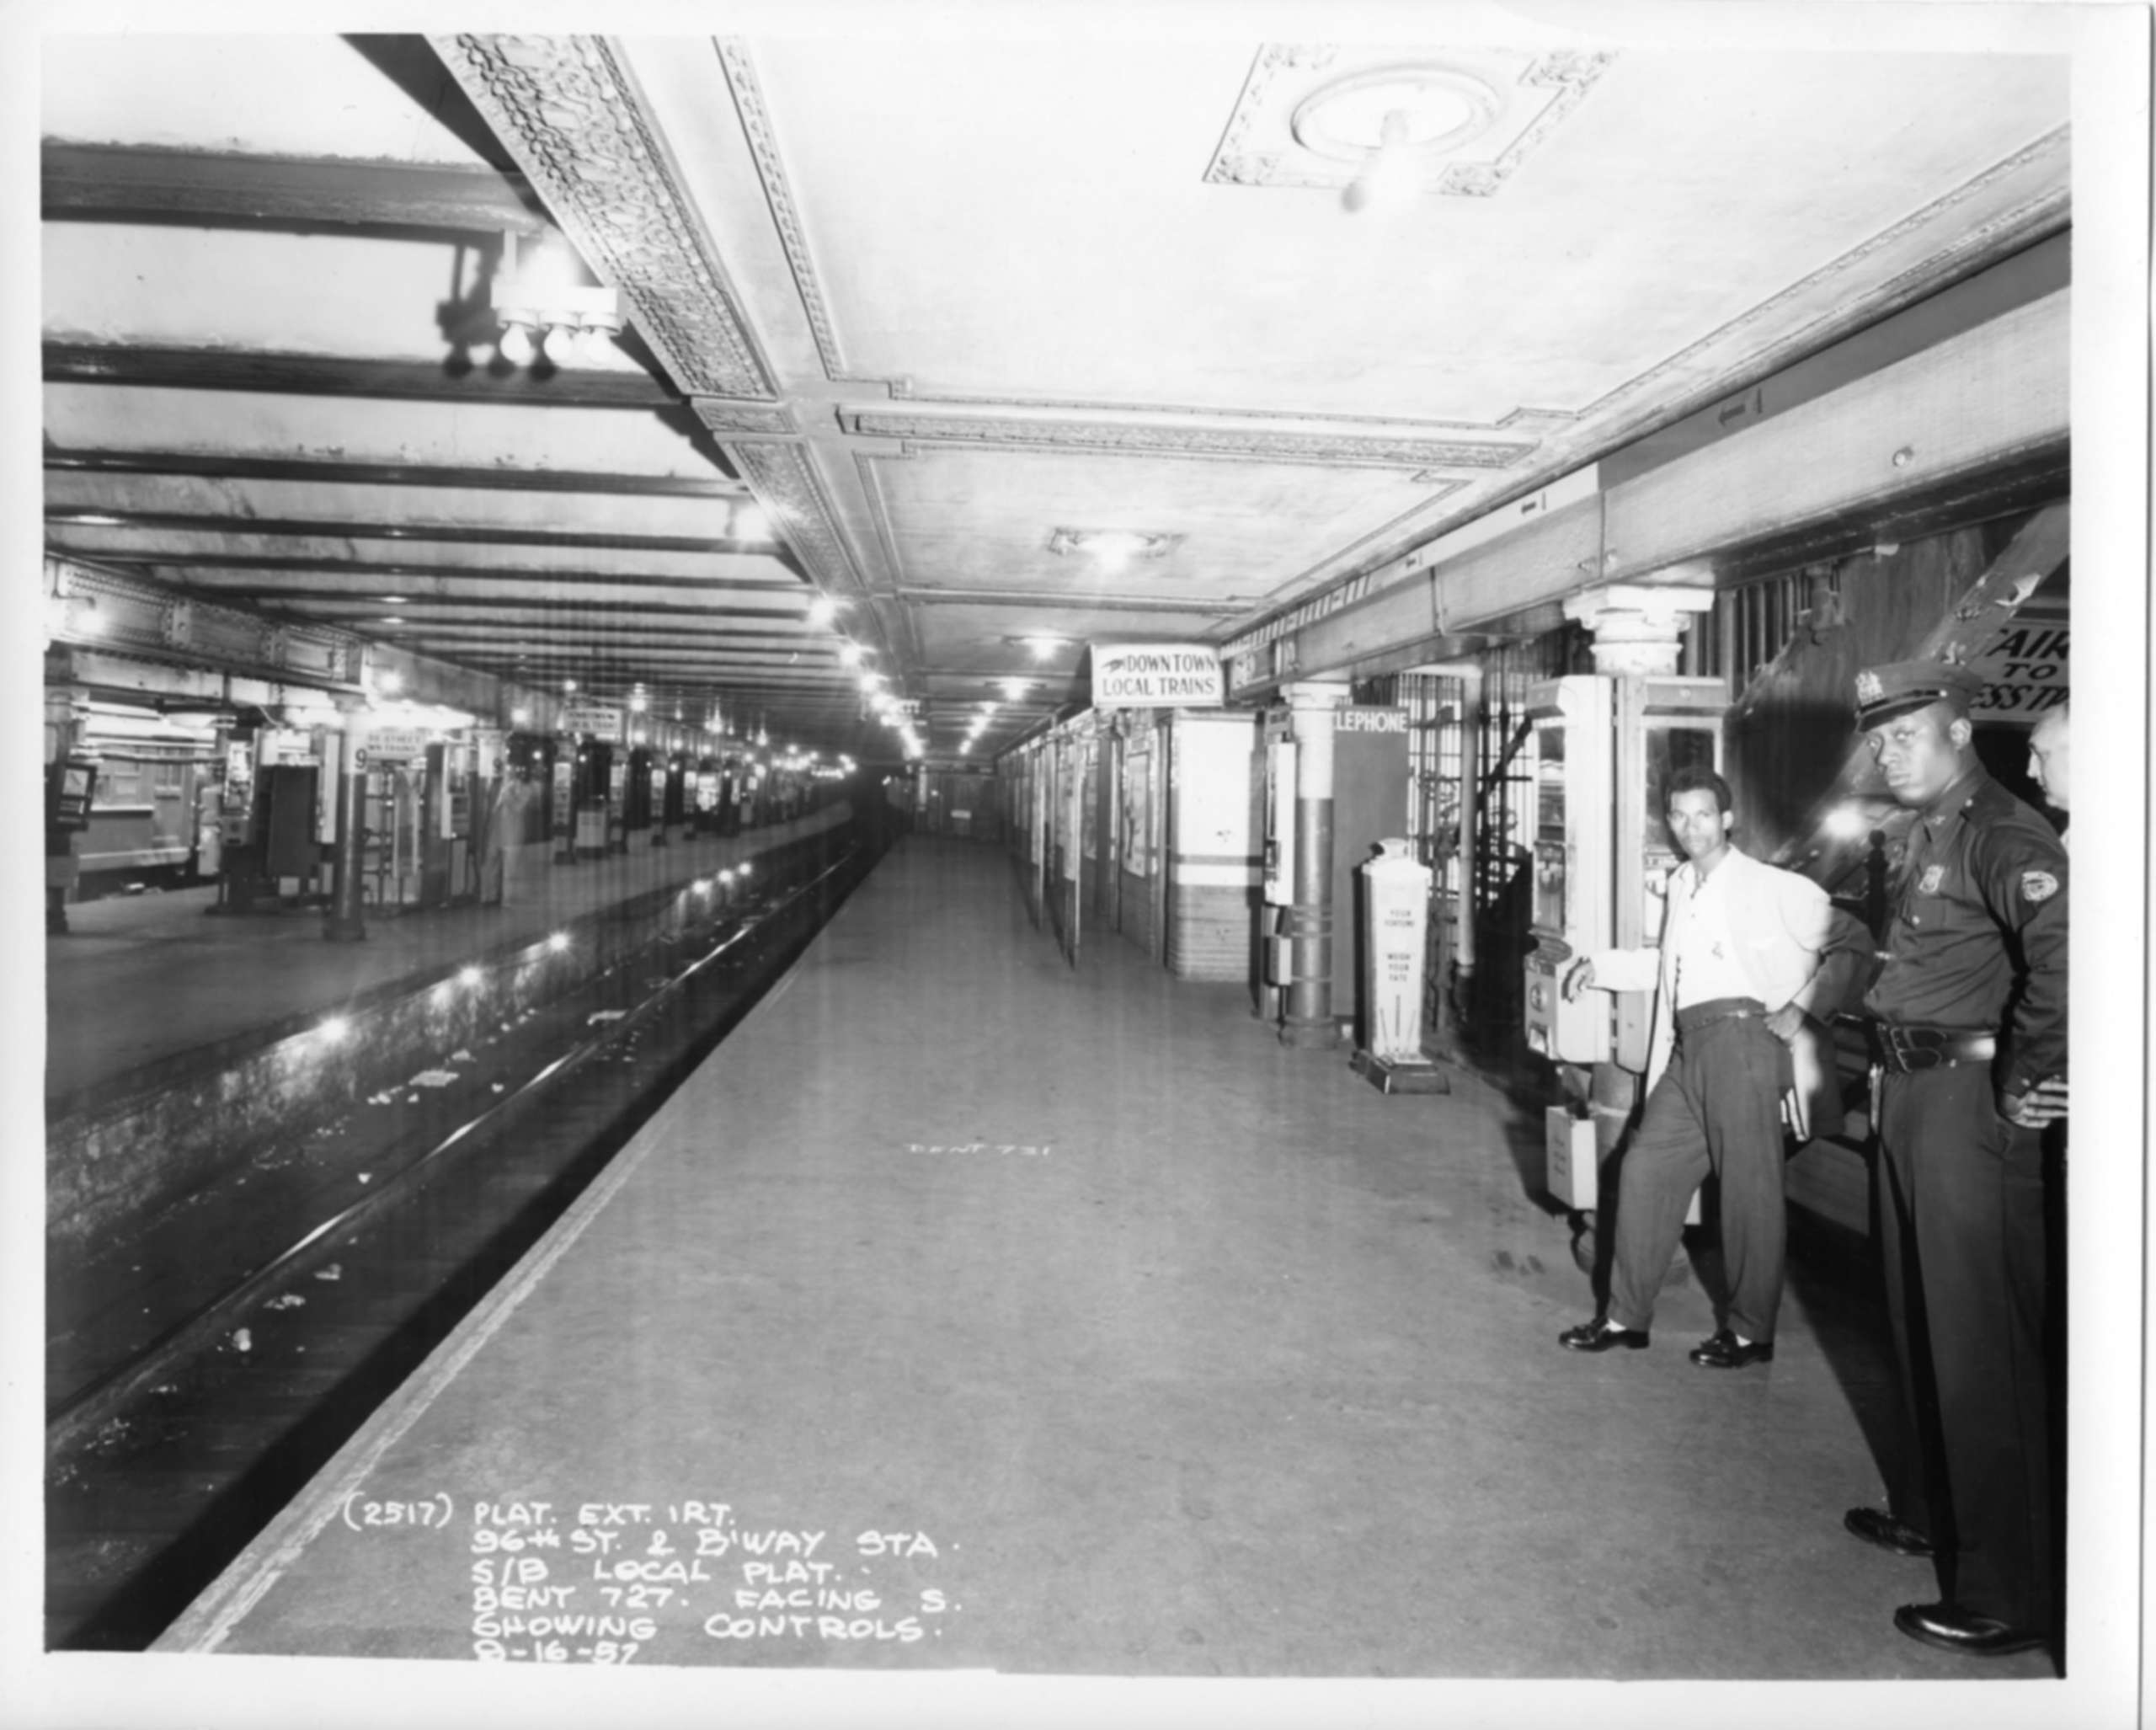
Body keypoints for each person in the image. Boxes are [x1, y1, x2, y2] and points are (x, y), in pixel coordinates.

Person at [1839, 659, 2067, 1658]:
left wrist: (2028, 1079)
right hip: (1909, 1092)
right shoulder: (1926, 831)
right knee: (1915, 1317)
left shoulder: (2002, 833)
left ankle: (2010, 1589)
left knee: (1981, 1342)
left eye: (1907, 734)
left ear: (1962, 732)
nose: (1888, 752)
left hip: (1968, 1103)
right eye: (1879, 738)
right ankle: (1934, 1514)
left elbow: (2069, 959)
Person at [1556, 765, 1853, 1368]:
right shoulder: (1682, 885)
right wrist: (1602, 967)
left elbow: (1854, 944)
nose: (1691, 827)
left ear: (1727, 819)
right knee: (1643, 1172)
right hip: (1687, 1049)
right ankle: (1624, 1317)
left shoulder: (1774, 885)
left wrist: (1802, 1009)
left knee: (1748, 1190)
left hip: (1744, 1042)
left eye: (1702, 815)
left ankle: (1750, 1333)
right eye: (1680, 815)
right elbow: (1670, 969)